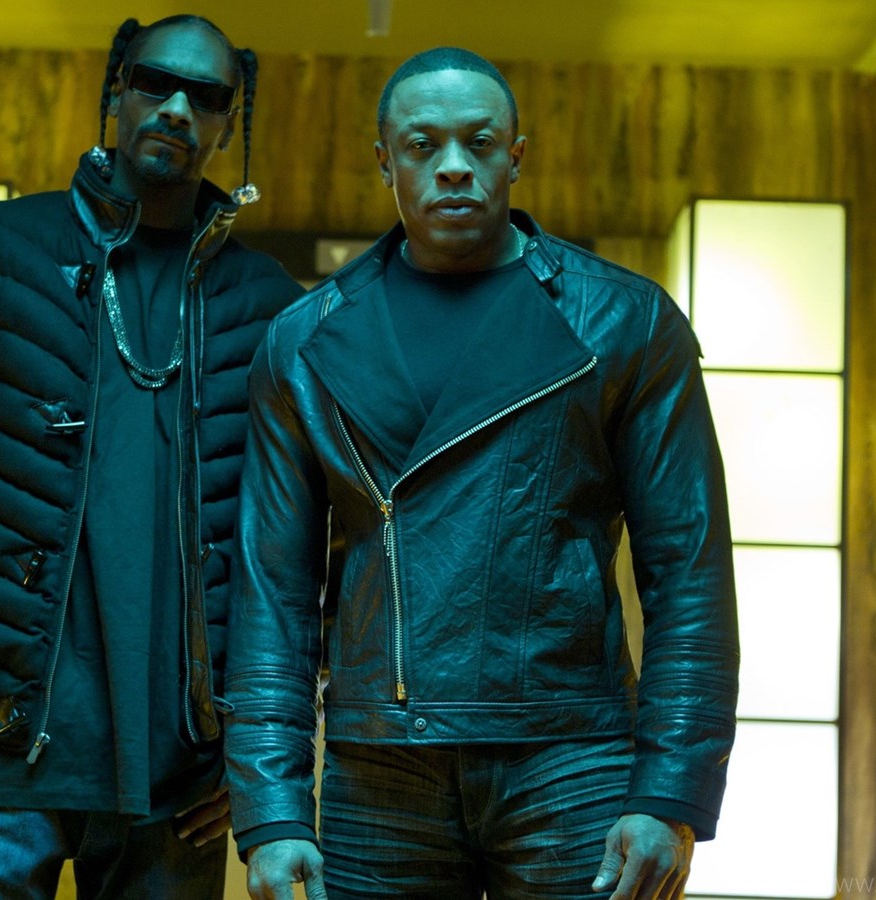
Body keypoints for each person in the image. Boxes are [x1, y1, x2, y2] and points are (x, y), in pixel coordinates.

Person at [0, 14, 302, 898]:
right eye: (154, 82)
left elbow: (290, 553)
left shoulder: (266, 306)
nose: (177, 108)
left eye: (206, 96)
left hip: (180, 774)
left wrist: (261, 755)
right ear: (117, 89)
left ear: (231, 123)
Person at [224, 47, 739, 900]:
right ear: (385, 160)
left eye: (481, 142)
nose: (455, 166)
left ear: (516, 156)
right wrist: (272, 809)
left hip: (572, 755)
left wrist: (670, 791)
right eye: (423, 145)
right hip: (379, 764)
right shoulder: (303, 341)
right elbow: (272, 592)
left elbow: (689, 571)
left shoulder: (625, 320)